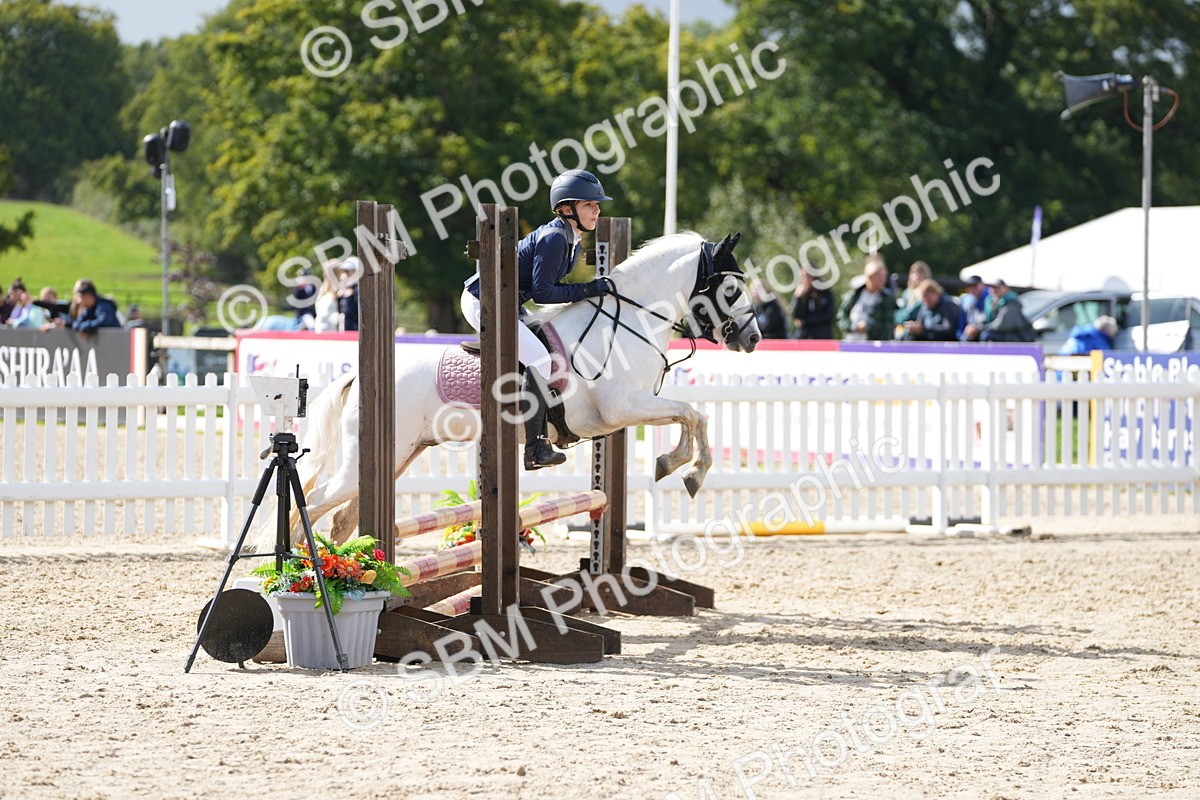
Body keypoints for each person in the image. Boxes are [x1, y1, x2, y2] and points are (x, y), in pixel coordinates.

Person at [460, 168, 612, 470]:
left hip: (506, 301)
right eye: (589, 204)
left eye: (596, 204)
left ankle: (558, 424)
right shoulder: (555, 238)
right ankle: (535, 448)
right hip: (484, 301)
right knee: (541, 361)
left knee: (552, 345)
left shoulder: (571, 238)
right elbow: (544, 293)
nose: (597, 210)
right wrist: (588, 289)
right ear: (566, 209)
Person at [837, 258, 897, 341]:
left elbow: (888, 324)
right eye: (879, 276)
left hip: (873, 343)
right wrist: (853, 326)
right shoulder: (854, 295)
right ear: (869, 277)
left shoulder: (886, 299)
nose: (882, 280)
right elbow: (842, 316)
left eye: (884, 276)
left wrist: (869, 327)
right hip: (851, 341)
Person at [963, 279, 1035, 343]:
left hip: (1019, 336)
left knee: (986, 335)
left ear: (1005, 288)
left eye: (997, 287)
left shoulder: (1011, 302)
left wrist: (979, 328)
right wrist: (974, 326)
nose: (994, 290)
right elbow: (985, 318)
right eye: (992, 287)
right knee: (969, 336)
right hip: (1004, 333)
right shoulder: (992, 301)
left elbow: (1001, 325)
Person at [791, 270, 834, 339]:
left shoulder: (824, 292)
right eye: (802, 277)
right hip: (803, 335)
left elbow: (828, 314)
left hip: (821, 335)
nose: (805, 280)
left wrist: (806, 321)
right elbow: (795, 315)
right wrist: (798, 298)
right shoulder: (800, 292)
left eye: (807, 276)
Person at [958, 275, 990, 341]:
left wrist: (977, 328)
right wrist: (962, 336)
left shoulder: (990, 298)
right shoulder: (966, 300)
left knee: (985, 335)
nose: (971, 288)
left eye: (974, 285)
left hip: (985, 332)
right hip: (969, 335)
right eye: (969, 286)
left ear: (982, 285)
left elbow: (990, 321)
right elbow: (961, 326)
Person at [337, 257, 360, 332]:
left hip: (356, 330)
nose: (344, 275)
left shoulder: (359, 290)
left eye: (347, 272)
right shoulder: (343, 290)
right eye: (343, 271)